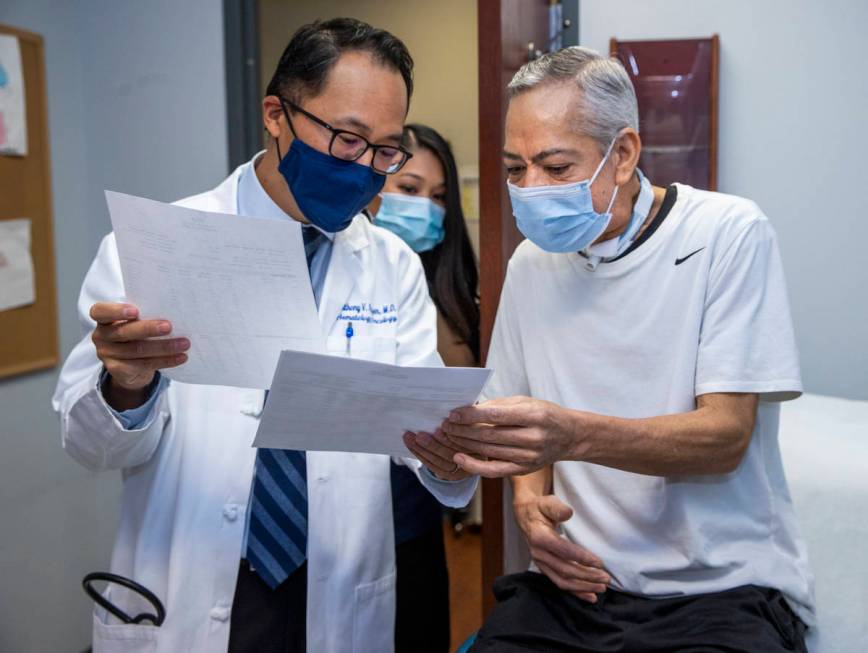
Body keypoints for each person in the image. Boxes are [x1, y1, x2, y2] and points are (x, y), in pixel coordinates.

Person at [52, 18, 476, 653]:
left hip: (339, 589)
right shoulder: (155, 248)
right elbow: (92, 448)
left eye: (385, 150)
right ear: (277, 114)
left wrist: (447, 451)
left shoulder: (392, 266)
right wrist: (128, 385)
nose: (367, 169)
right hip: (192, 582)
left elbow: (419, 441)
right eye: (346, 139)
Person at [431, 46, 814, 652]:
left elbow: (725, 439)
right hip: (577, 589)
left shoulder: (726, 234)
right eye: (514, 168)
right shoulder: (532, 265)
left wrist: (571, 434)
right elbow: (519, 423)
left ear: (625, 154)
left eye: (555, 168)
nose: (530, 189)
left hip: (718, 592)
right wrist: (531, 505)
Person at [370, 123, 480, 652]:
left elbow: (455, 385)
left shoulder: (450, 286)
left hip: (413, 509)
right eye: (409, 191)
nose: (425, 209)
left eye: (438, 198)